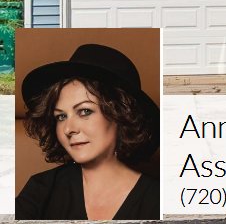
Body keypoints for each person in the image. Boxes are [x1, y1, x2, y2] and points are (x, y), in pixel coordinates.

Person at [16, 43, 160, 220]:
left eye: (85, 111)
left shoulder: (158, 200)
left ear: (121, 115)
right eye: (61, 116)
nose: (69, 129)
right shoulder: (42, 189)